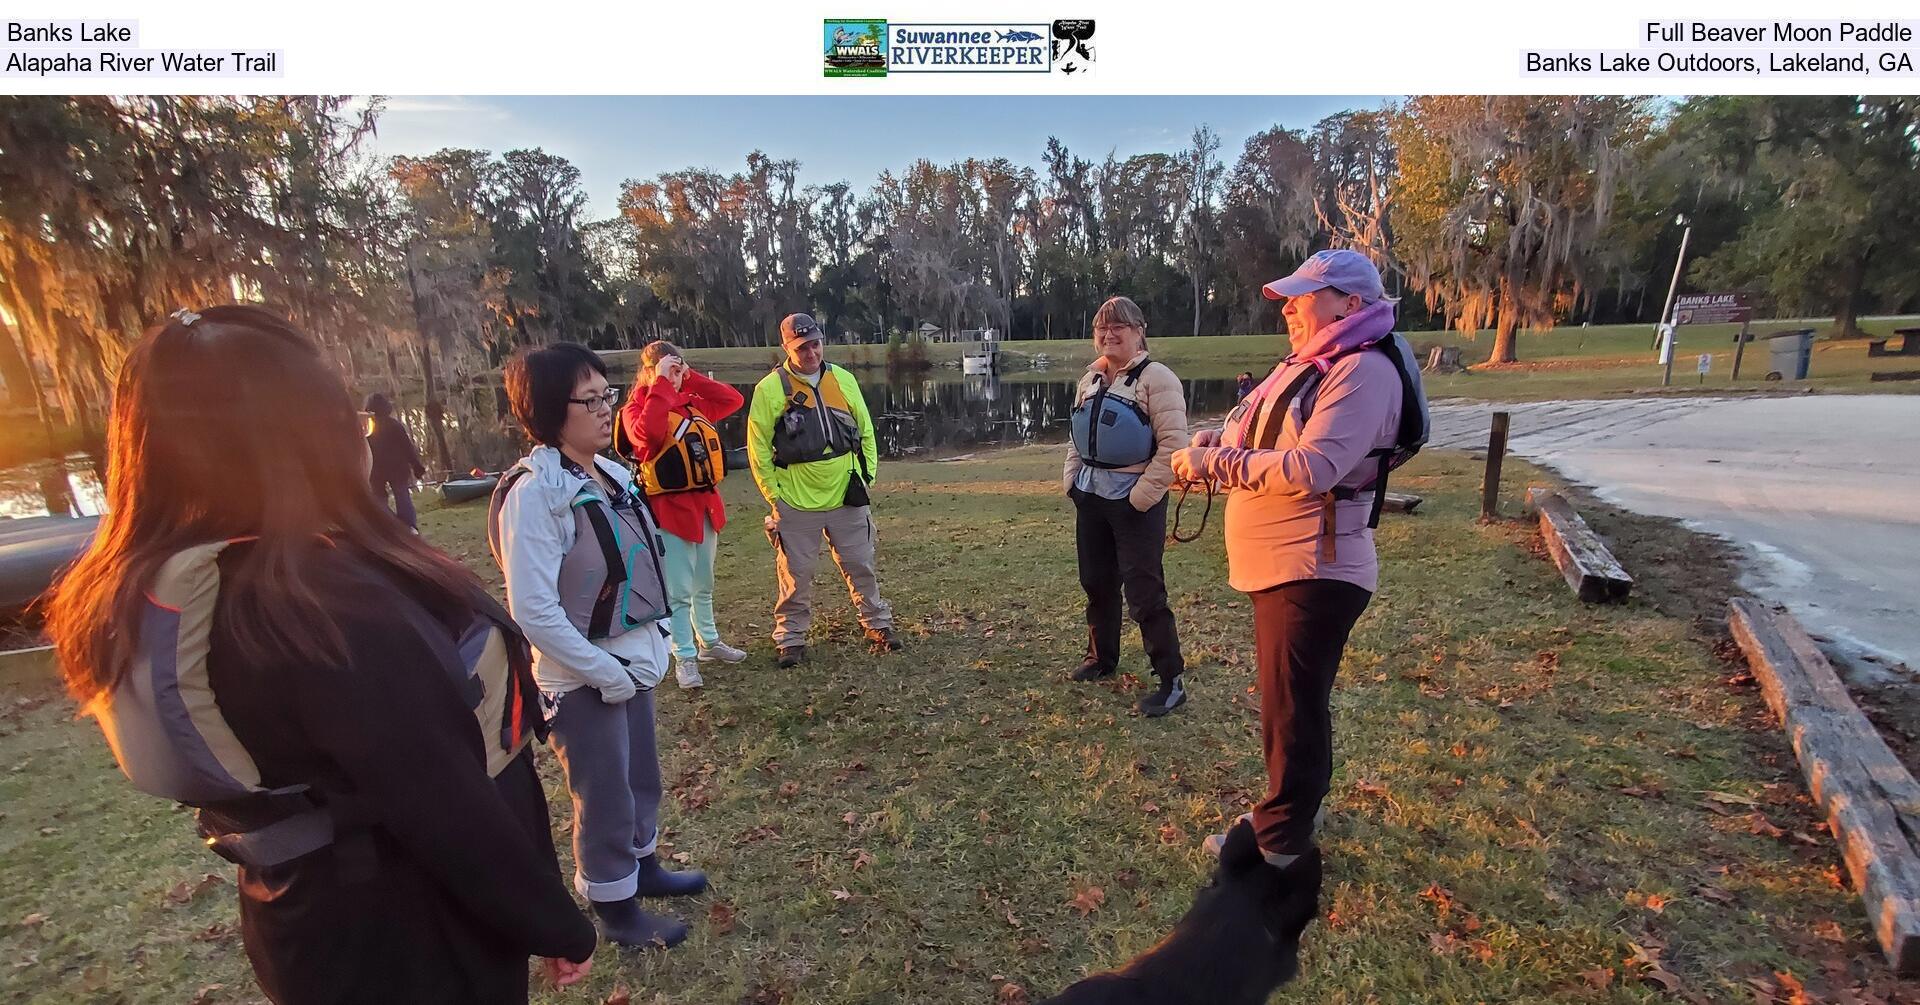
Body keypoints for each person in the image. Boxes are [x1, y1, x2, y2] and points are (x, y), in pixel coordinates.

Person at [44, 305, 596, 1004]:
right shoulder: (318, 608)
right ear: (299, 436)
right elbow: (446, 805)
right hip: (414, 933)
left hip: (299, 917)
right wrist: (553, 923)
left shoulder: (155, 584)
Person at [1171, 248, 1407, 884]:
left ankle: (1281, 841)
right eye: (1291, 298)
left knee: (1293, 709)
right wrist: (1216, 442)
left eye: (1305, 297)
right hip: (1286, 564)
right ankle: (1289, 813)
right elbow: (1266, 436)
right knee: (1290, 703)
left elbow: (1313, 469)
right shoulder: (1316, 362)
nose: (1291, 309)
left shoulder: (1363, 371)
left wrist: (1213, 467)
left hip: (1314, 569)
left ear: (1350, 305)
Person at [490, 342, 707, 950]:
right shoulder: (535, 494)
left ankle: (644, 864)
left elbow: (641, 562)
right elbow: (533, 608)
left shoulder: (608, 474)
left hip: (627, 664)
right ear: (550, 412)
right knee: (604, 791)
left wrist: (653, 641)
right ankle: (616, 908)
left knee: (640, 775)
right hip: (582, 679)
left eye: (607, 394)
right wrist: (601, 670)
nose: (607, 409)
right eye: (592, 400)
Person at [746, 312, 900, 669]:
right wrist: (775, 496)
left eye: (815, 344)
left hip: (847, 493)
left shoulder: (843, 379)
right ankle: (791, 638)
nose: (811, 353)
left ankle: (877, 623)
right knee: (795, 574)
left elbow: (865, 431)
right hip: (796, 499)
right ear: (787, 348)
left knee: (861, 564)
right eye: (802, 347)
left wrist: (867, 476)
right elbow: (757, 448)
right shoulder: (769, 390)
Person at [1062, 295, 1191, 717]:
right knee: (1096, 582)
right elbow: (1077, 435)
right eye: (1102, 328)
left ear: (1139, 332)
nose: (1109, 334)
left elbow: (1173, 445)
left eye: (1119, 327)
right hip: (1092, 496)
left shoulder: (1158, 378)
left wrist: (1142, 496)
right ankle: (1102, 658)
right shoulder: (1091, 378)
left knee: (1143, 590)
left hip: (1135, 502)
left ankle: (1171, 679)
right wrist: (1072, 481)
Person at [619, 341, 749, 689]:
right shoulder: (636, 409)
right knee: (678, 591)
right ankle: (684, 656)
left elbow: (732, 400)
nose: (673, 377)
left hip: (705, 506)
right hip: (670, 511)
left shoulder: (690, 403)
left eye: (677, 369)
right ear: (647, 371)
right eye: (666, 370)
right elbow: (648, 435)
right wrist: (659, 384)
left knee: (703, 583)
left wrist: (689, 378)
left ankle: (708, 642)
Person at [363, 392, 427, 530]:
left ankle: (387, 526)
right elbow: (408, 448)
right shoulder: (394, 425)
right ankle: (409, 527)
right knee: (402, 496)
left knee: (380, 499)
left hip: (377, 470)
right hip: (396, 469)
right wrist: (417, 466)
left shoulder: (367, 430)